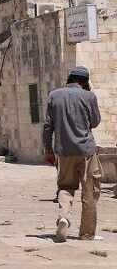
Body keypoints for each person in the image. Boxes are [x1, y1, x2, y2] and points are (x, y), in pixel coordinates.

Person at [43, 66, 102, 243]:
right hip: (86, 150)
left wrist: (48, 150)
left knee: (65, 187)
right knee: (90, 191)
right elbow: (95, 121)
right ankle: (86, 234)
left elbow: (48, 126)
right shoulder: (89, 96)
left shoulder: (54, 95)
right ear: (85, 82)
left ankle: (63, 217)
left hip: (63, 151)